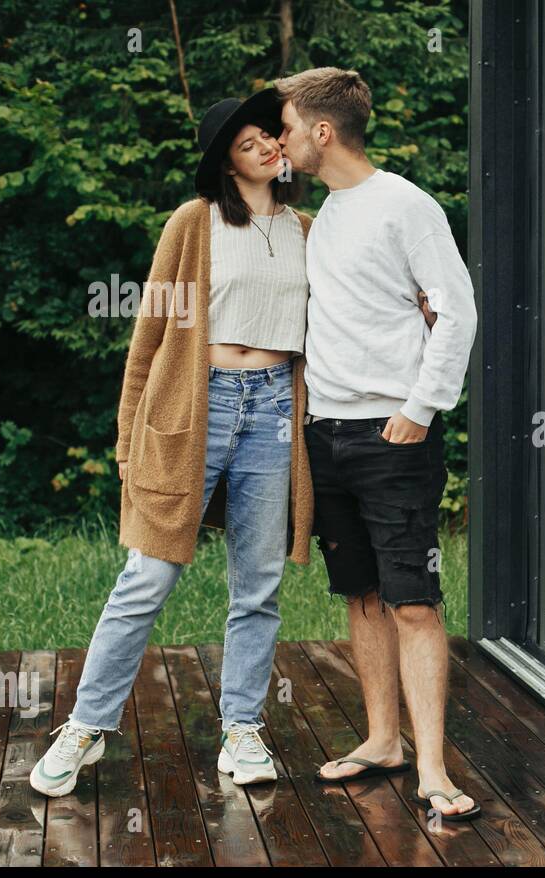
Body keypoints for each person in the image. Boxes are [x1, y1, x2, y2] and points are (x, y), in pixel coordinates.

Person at [31, 90, 316, 796]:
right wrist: (129, 437)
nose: (267, 150)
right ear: (226, 162)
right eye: (249, 144)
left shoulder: (310, 228)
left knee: (258, 586)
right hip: (197, 406)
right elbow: (148, 339)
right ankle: (86, 727)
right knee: (146, 578)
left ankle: (243, 730)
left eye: (270, 140)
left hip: (275, 408)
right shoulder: (194, 224)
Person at [274, 68, 482, 819]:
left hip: (393, 434)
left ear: (322, 132)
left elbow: (456, 312)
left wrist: (422, 408)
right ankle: (383, 741)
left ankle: (432, 768)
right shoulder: (323, 216)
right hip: (325, 435)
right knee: (361, 595)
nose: (281, 140)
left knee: (413, 602)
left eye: (289, 127)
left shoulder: (406, 206)